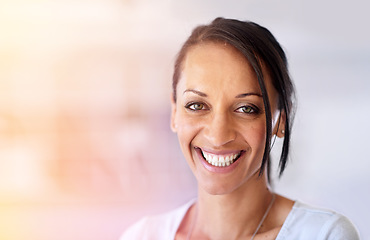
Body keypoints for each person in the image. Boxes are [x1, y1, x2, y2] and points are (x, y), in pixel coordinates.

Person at [120, 18, 360, 240]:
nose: (218, 136)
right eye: (197, 105)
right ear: (174, 114)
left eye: (246, 109)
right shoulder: (142, 235)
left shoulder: (324, 235)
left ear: (281, 120)